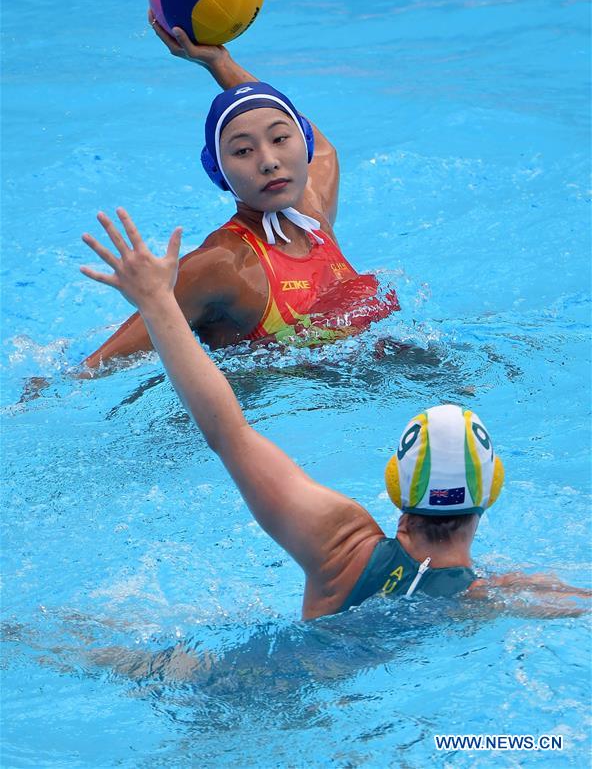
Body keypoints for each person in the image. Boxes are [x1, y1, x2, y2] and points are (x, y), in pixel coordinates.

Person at [80, 209, 589, 620]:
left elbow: (226, 431)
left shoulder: (341, 547)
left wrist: (157, 302)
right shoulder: (483, 601)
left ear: (395, 483)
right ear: (492, 489)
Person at [81, 15, 399, 374]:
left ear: (304, 144)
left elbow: (325, 150)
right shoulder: (223, 264)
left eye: (280, 138)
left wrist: (219, 62)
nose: (269, 161)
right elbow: (95, 368)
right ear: (218, 171)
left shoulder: (314, 219)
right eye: (243, 151)